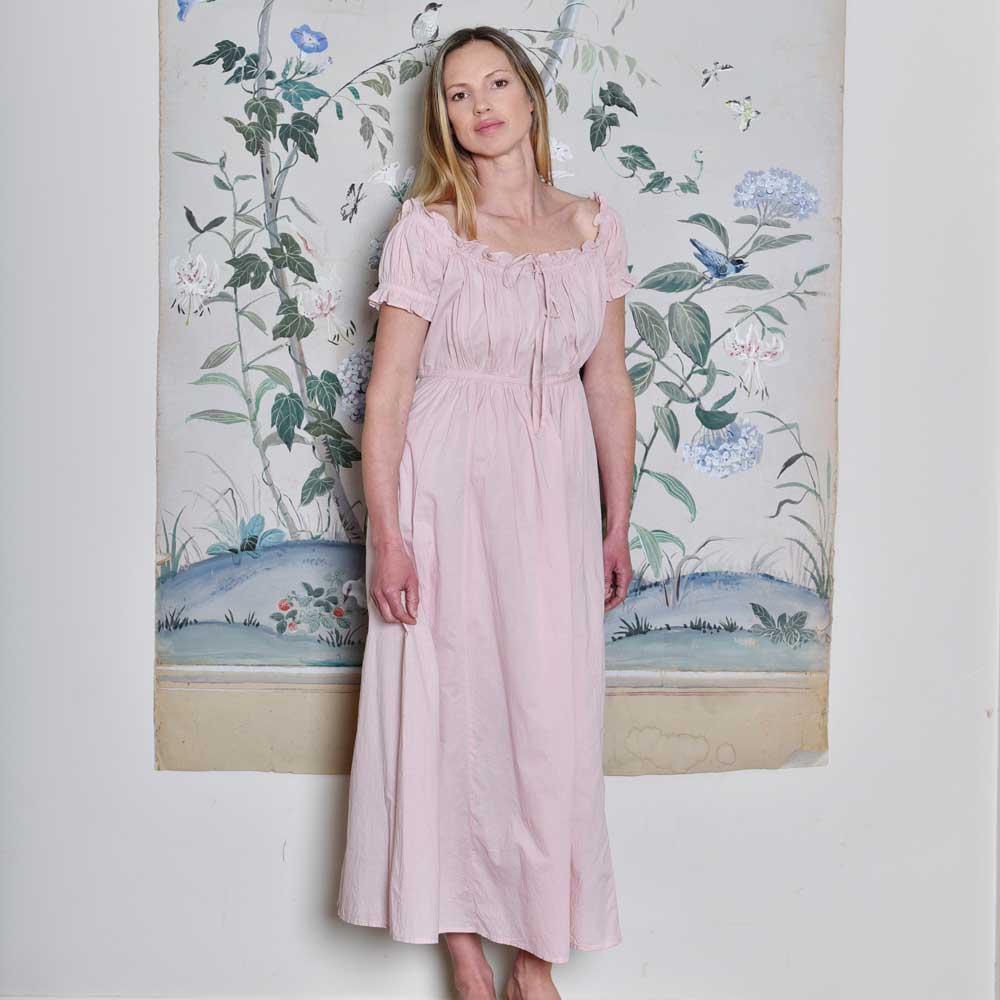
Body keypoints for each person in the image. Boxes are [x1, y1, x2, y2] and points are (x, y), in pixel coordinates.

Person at [336, 24, 637, 1000]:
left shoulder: (593, 226)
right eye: (459, 94)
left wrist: (616, 520)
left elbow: (608, 382)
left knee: (550, 712)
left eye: (496, 83)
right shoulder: (428, 230)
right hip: (445, 484)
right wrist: (389, 533)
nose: (481, 106)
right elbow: (388, 395)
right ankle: (465, 951)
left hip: (553, 490)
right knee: (450, 700)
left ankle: (536, 957)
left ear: (531, 95)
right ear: (445, 118)